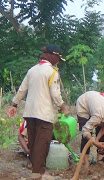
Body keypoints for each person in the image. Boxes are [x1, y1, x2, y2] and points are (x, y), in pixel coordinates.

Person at [8, 45, 69, 178]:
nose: (58, 61)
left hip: (29, 113)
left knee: (34, 142)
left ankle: (36, 170)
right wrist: (63, 107)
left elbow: (22, 90)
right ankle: (37, 172)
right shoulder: (52, 72)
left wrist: (14, 104)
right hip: (44, 114)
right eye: (57, 58)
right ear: (52, 57)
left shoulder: (32, 70)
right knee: (43, 143)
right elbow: (56, 94)